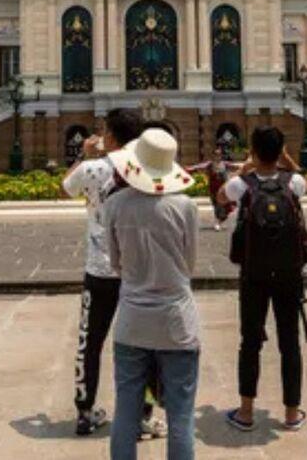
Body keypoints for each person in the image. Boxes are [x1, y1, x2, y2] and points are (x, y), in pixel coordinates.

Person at [102, 128, 200, 460]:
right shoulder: (185, 206)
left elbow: (115, 263)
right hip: (177, 322)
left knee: (126, 415)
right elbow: (189, 264)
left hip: (132, 320)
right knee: (181, 418)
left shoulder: (115, 205)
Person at [60, 108, 149, 438]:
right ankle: (144, 414)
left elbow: (64, 188)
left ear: (109, 136)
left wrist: (85, 154)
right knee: (145, 345)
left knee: (90, 341)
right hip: (139, 270)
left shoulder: (92, 169)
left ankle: (84, 412)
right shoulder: (148, 168)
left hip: (100, 268)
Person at [219, 126, 307, 433]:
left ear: (254, 151)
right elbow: (305, 181)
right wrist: (286, 159)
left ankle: (245, 412)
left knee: (250, 342)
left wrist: (247, 167)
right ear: (281, 150)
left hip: (254, 273)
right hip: (288, 272)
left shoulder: (241, 185)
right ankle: (291, 414)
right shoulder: (293, 182)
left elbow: (220, 197)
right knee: (290, 343)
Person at [188, 140, 237, 231]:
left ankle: (219, 221)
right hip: (214, 189)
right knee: (217, 205)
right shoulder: (210, 164)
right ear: (213, 155)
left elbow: (236, 166)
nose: (217, 156)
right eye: (216, 154)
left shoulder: (225, 164)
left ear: (221, 155)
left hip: (223, 188)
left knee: (225, 206)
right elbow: (199, 166)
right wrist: (190, 169)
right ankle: (217, 222)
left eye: (219, 154)